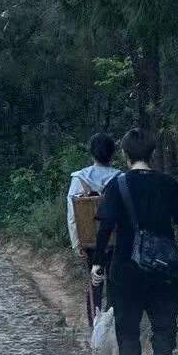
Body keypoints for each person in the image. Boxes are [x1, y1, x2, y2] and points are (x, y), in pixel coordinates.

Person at [91, 128, 178, 355]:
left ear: (124, 155)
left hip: (126, 267)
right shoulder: (167, 183)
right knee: (164, 322)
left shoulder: (117, 186)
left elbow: (105, 229)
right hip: (163, 267)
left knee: (127, 327)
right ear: (152, 153)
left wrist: (97, 263)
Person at [67, 132, 122, 323]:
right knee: (115, 287)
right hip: (116, 242)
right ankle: (112, 327)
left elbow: (73, 216)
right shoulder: (121, 178)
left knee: (94, 287)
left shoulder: (79, 178)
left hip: (90, 242)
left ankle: (95, 329)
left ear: (92, 153)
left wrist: (77, 244)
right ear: (112, 154)